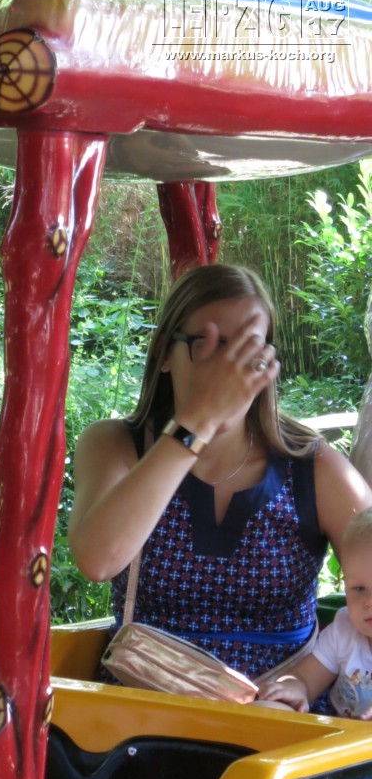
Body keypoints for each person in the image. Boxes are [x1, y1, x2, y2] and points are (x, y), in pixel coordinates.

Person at [68, 264, 372, 685]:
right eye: (208, 345)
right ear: (164, 354)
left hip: (276, 716)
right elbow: (98, 559)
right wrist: (198, 422)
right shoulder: (116, 444)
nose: (230, 370)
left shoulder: (313, 467)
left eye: (247, 352)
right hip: (141, 712)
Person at [258, 508, 372, 717]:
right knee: (267, 710)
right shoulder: (344, 630)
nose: (368, 602)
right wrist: (295, 687)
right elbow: (305, 678)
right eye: (359, 588)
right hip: (337, 736)